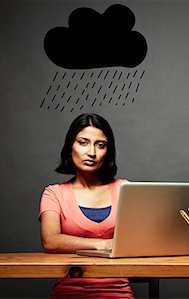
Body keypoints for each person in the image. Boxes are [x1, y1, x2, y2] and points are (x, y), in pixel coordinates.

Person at [39, 113, 134, 299]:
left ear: (108, 151)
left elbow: (141, 241)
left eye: (100, 145)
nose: (92, 152)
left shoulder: (125, 189)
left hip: (118, 292)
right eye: (83, 142)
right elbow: (50, 241)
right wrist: (103, 244)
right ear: (70, 147)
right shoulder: (54, 193)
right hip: (69, 292)